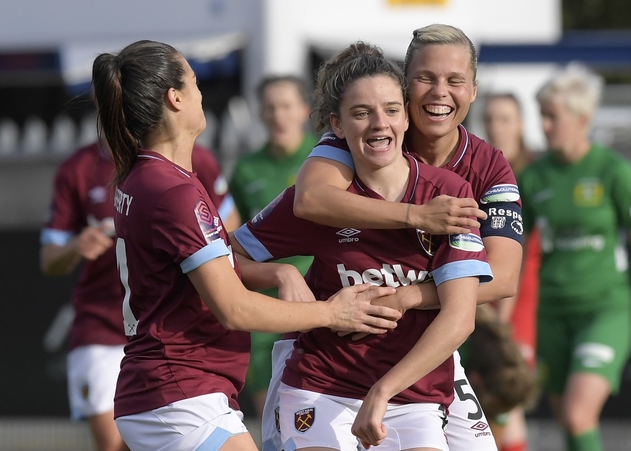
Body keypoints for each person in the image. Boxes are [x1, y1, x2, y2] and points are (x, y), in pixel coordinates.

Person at [90, 39, 401, 451]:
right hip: (179, 393)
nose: (203, 95)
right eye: (196, 83)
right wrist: (330, 312)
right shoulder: (172, 191)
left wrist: (279, 270)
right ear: (175, 98)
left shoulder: (148, 177)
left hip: (170, 392)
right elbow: (233, 308)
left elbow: (193, 276)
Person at [234, 41, 491, 451]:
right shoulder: (321, 198)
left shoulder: (448, 194)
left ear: (407, 117)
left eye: (391, 110)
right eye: (361, 113)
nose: (378, 124)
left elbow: (460, 317)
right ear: (336, 125)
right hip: (321, 386)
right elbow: (232, 256)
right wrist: (281, 272)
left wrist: (383, 391)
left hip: (411, 394)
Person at [290, 24, 524, 451]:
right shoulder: (372, 134)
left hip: (426, 353)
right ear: (404, 82)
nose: (440, 93)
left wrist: (405, 297)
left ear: (473, 90)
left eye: (454, 81)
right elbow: (309, 200)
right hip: (328, 358)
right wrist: (415, 215)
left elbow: (504, 278)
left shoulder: (489, 167)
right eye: (425, 78)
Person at [40, 137, 239, 451]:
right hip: (102, 328)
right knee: (113, 444)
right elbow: (49, 258)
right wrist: (76, 246)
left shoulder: (191, 158)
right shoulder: (78, 168)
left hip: (167, 329)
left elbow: (229, 226)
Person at [519, 62, 631, 451]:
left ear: (581, 118)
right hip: (551, 314)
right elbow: (515, 252)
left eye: (552, 116)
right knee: (567, 423)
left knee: (577, 414)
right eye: (542, 116)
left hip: (604, 310)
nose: (545, 125)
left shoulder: (613, 170)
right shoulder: (534, 178)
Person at [228, 75, 317, 418]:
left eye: (286, 106)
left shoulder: (325, 158)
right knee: (272, 414)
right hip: (263, 307)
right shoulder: (246, 168)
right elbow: (231, 241)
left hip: (321, 298)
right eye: (270, 108)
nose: (278, 115)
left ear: (304, 111)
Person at [481, 92, 541, 451]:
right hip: (481, 295)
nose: (496, 127)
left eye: (505, 118)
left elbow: (521, 250)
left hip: (518, 298)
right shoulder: (478, 168)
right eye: (489, 119)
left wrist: (503, 312)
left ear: (520, 124)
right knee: (486, 396)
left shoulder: (533, 176)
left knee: (505, 392)